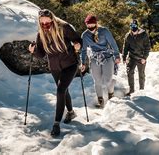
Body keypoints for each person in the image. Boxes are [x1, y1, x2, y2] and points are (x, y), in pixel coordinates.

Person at [28, 9, 82, 137]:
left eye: (47, 21)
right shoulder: (41, 34)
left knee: (60, 90)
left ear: (52, 19)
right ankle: (71, 112)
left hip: (70, 64)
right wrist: (33, 50)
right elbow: (41, 54)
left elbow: (77, 39)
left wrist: (77, 45)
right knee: (64, 90)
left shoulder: (64, 28)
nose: (45, 23)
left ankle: (56, 123)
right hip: (55, 68)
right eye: (42, 22)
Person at [80, 14, 120, 108]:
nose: (90, 26)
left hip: (107, 56)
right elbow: (83, 50)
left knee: (107, 80)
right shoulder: (85, 35)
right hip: (94, 58)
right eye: (88, 25)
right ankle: (100, 100)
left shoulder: (104, 31)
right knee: (97, 80)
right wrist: (83, 63)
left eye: (92, 24)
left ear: (96, 23)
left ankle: (111, 93)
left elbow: (112, 43)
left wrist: (117, 55)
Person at [122, 19, 151, 96]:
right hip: (131, 57)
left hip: (141, 57)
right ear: (130, 27)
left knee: (141, 74)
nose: (133, 28)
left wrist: (144, 58)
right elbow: (125, 48)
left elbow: (147, 47)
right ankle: (131, 91)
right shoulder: (128, 36)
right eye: (131, 26)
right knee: (129, 72)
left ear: (137, 26)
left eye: (134, 26)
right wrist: (124, 57)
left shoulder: (144, 34)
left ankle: (141, 91)